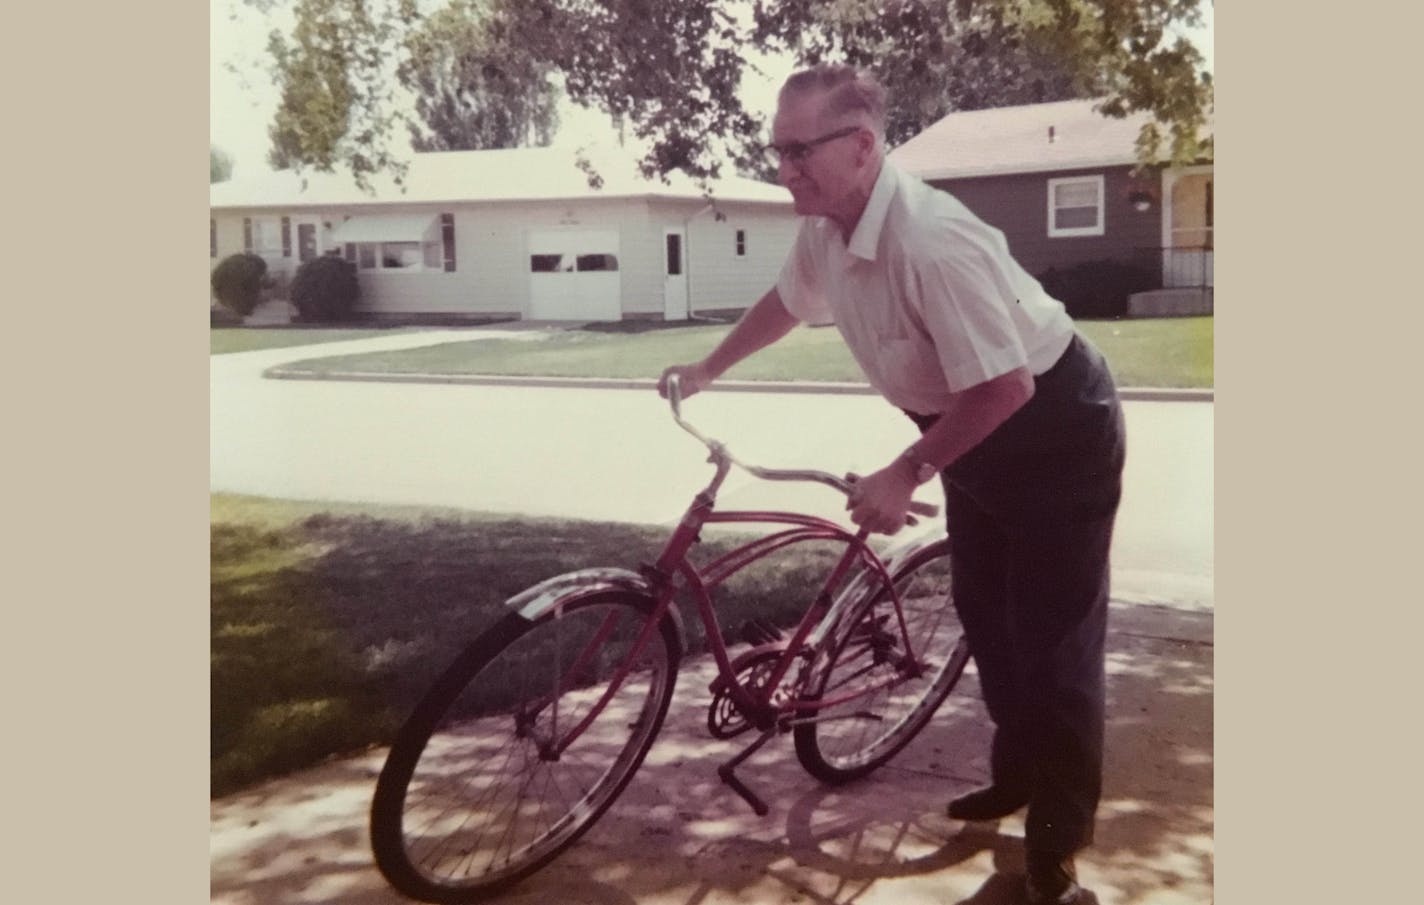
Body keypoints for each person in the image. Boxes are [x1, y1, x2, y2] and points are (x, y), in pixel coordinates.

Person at [658, 65, 1126, 905]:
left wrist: (908, 469)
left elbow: (1008, 387)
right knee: (987, 610)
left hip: (1056, 429)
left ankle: (1055, 846)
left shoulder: (930, 241)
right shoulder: (829, 226)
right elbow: (788, 301)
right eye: (778, 149)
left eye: (800, 150)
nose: (784, 167)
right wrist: (709, 365)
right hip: (967, 426)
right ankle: (1016, 774)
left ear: (863, 147)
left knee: (1055, 641)